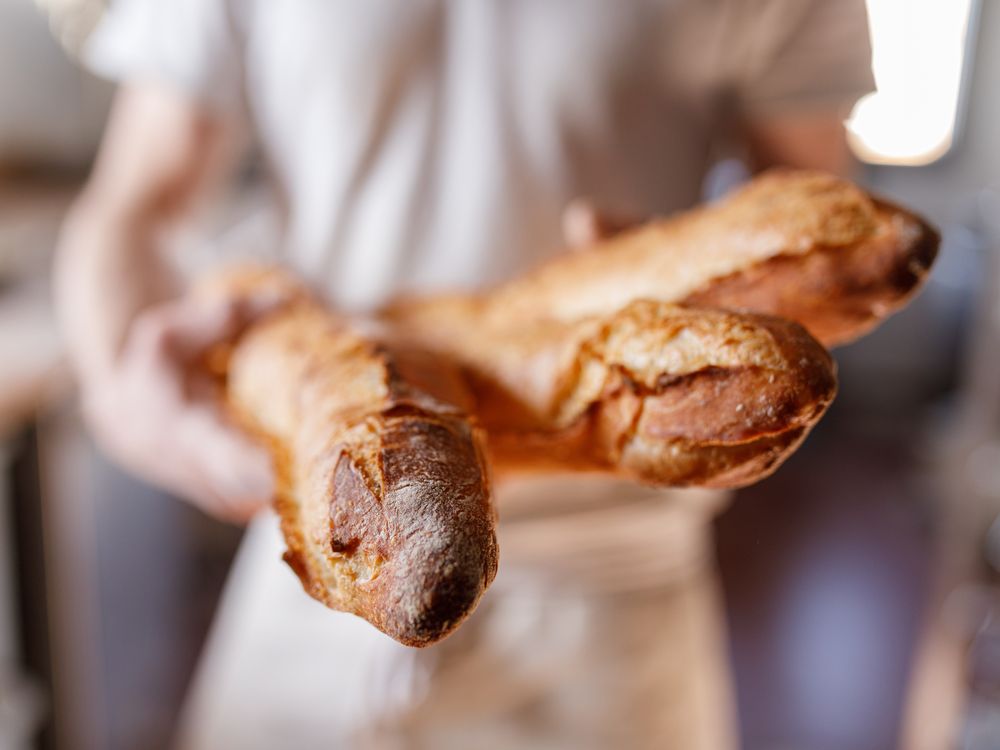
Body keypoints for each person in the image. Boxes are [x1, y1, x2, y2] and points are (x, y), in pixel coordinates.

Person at [55, 1, 874, 747]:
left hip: (612, 591)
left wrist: (689, 265)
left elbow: (821, 227)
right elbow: (138, 200)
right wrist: (120, 384)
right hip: (337, 539)